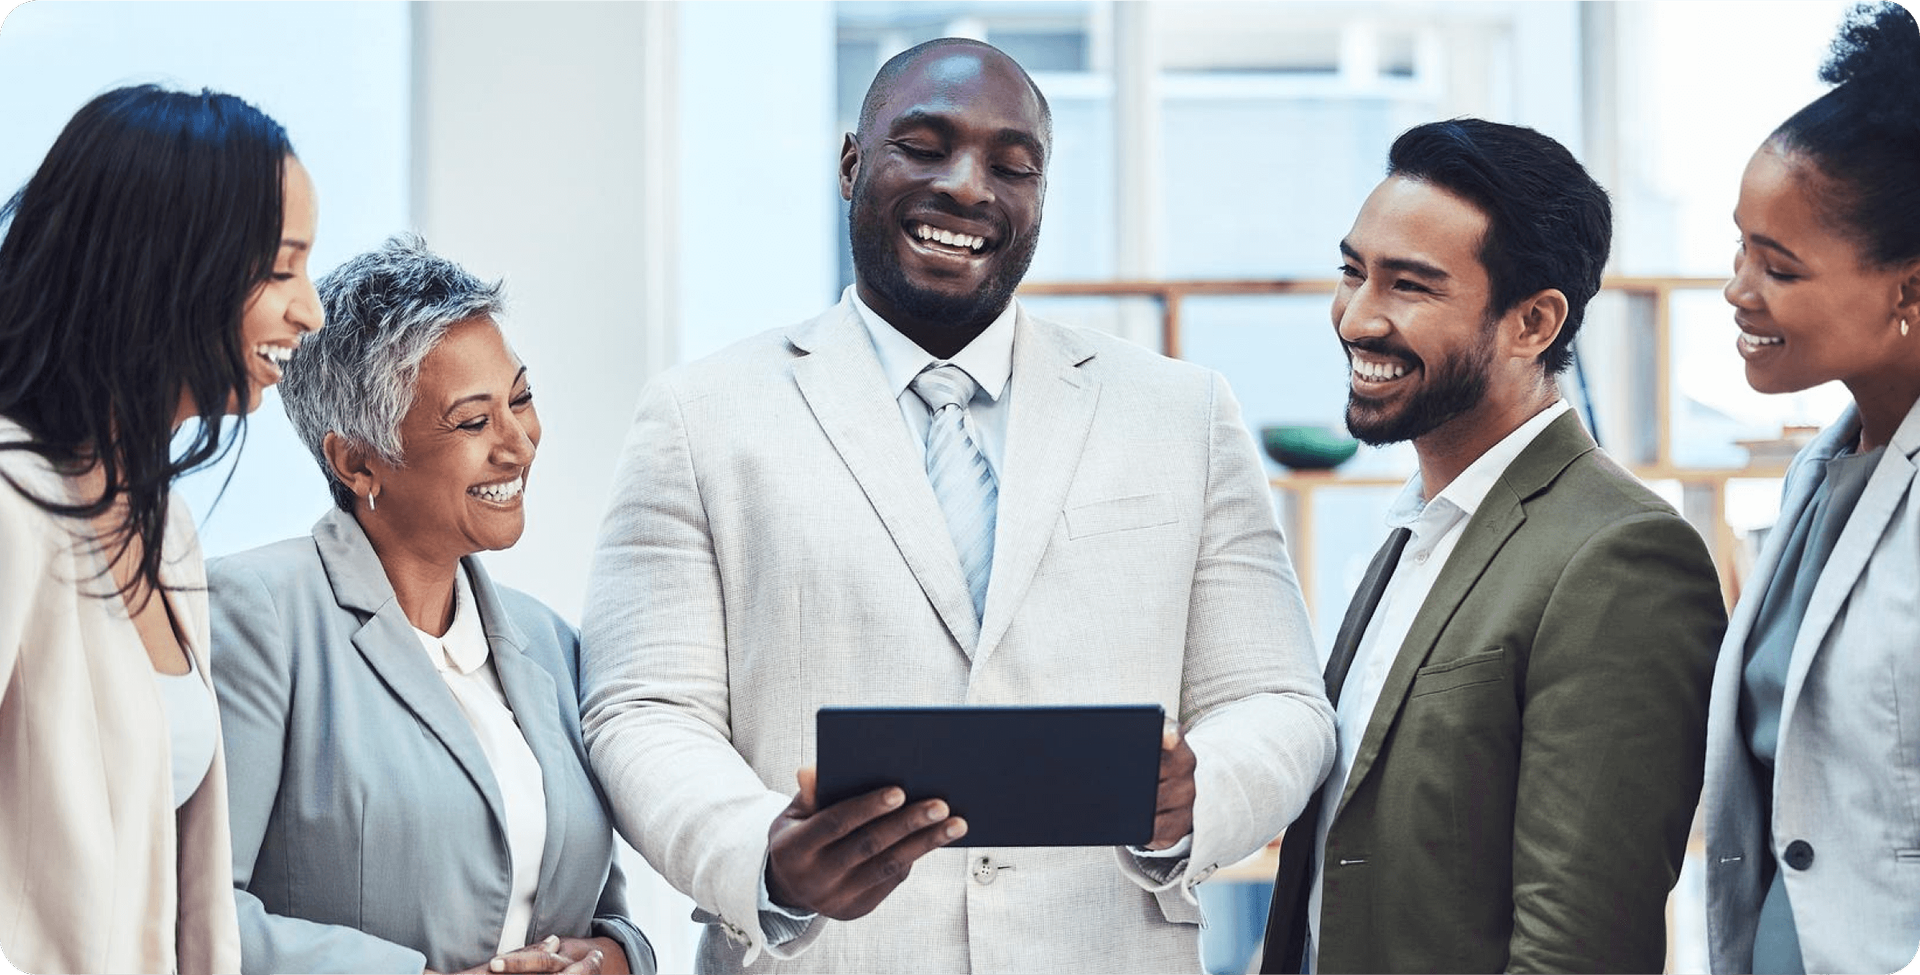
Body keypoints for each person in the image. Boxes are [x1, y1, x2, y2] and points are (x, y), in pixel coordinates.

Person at [579, 37, 1334, 974]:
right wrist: (763, 853)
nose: (970, 188)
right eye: (926, 147)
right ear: (852, 165)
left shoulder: (1183, 413)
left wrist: (1202, 793)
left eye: (1013, 166)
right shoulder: (701, 417)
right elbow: (642, 706)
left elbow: (1280, 698)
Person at [1259, 118, 1728, 974]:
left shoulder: (1621, 556)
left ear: (1534, 322)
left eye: (1410, 286)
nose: (1358, 317)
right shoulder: (1418, 529)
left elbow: (1581, 948)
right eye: (1353, 271)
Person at [208, 235, 655, 975]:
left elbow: (597, 901)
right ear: (356, 460)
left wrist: (611, 957)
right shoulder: (259, 614)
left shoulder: (551, 642)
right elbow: (197, 913)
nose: (519, 445)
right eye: (473, 421)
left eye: (521, 399)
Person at [0, 84, 319, 974]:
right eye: (284, 266)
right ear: (170, 263)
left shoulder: (166, 526)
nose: (312, 310)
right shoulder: (11, 501)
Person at [1703, 4, 1920, 973]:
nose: (1738, 290)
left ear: (1908, 290)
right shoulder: (1812, 478)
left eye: (1779, 267)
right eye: (1742, 246)